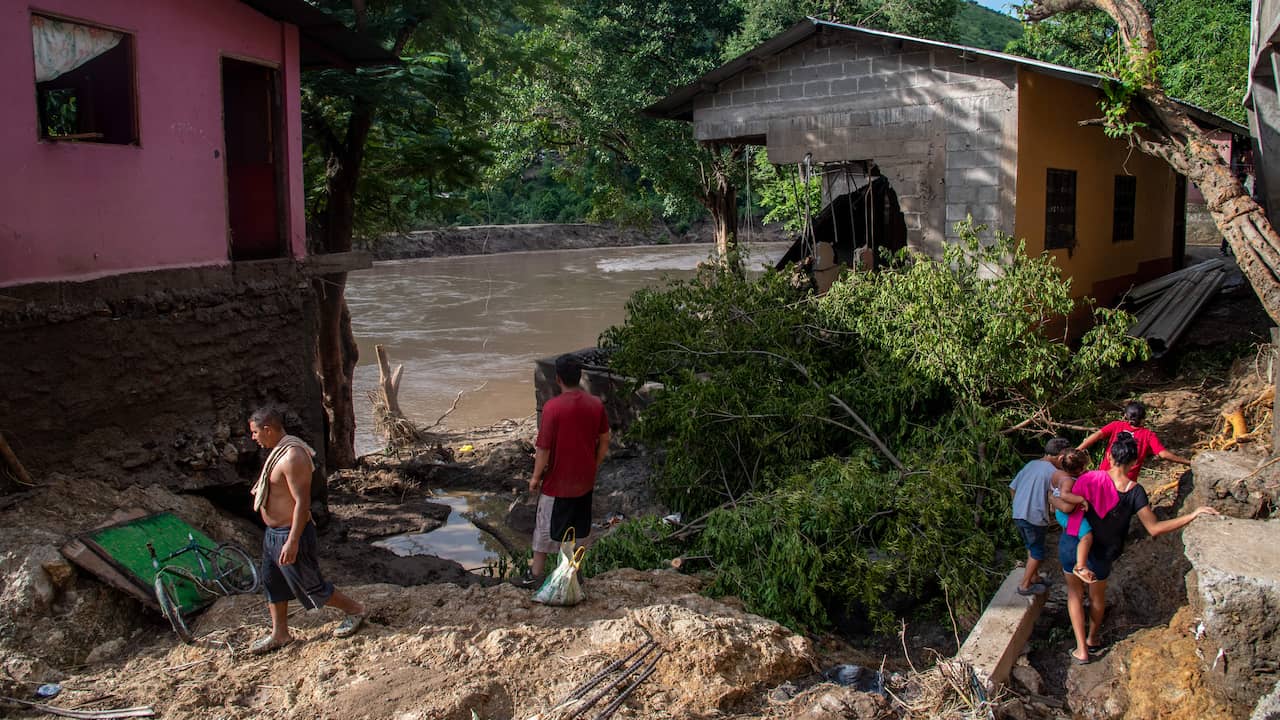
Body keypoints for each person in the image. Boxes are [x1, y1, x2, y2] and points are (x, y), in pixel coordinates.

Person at [1055, 433, 1219, 665]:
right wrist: (1192, 514)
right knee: (1097, 596)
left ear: (1110, 458)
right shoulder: (1135, 492)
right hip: (1104, 551)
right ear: (1133, 463)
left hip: (1072, 542)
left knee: (1074, 594)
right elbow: (1154, 528)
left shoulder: (1090, 478)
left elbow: (1066, 505)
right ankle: (1092, 637)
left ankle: (1081, 650)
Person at [247, 407, 365, 654]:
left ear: (268, 430)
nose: (253, 438)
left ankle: (355, 610)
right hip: (273, 534)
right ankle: (280, 634)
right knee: (272, 584)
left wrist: (293, 541)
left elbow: (302, 503)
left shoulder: (293, 456)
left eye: (255, 432)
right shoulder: (275, 453)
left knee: (311, 585)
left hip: (291, 533)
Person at [524, 354, 610, 585]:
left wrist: (535, 478)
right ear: (580, 376)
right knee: (579, 530)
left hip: (557, 483)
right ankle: (574, 575)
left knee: (544, 531)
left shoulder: (552, 408)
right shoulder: (596, 404)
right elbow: (604, 439)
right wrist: (595, 463)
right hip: (585, 481)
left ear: (558, 378)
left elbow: (543, 449)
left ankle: (535, 576)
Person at [1008, 438, 1073, 596]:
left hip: (1019, 514)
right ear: (1060, 458)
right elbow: (1057, 497)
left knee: (1031, 547)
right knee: (1038, 553)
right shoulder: (1054, 473)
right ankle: (1024, 585)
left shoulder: (1031, 464)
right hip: (1034, 517)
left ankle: (1035, 577)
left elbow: (1012, 487)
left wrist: (1019, 505)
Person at [1078, 401, 1190, 481]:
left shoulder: (1116, 425)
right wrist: (1188, 462)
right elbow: (1163, 454)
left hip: (1104, 475)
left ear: (1126, 416)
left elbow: (1097, 435)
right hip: (1126, 480)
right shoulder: (1148, 435)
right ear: (1143, 419)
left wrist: (1078, 449)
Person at [1051, 449, 1095, 584]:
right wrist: (1081, 500)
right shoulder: (1069, 481)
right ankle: (1080, 566)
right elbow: (1064, 496)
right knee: (1087, 535)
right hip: (1065, 514)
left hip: (1061, 512)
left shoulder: (1059, 474)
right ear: (1081, 468)